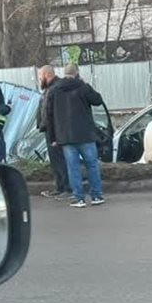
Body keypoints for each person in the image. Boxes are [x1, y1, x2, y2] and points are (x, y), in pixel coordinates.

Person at [46, 64, 105, 208]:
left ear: (64, 73)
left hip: (65, 136)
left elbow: (49, 114)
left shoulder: (54, 90)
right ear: (77, 73)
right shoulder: (83, 87)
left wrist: (53, 137)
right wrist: (85, 84)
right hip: (85, 134)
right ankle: (96, 196)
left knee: (73, 167)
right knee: (92, 165)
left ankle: (79, 198)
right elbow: (97, 100)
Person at [36, 65, 70, 199]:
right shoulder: (50, 88)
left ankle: (66, 188)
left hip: (55, 132)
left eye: (40, 76)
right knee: (56, 161)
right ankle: (60, 187)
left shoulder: (56, 88)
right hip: (50, 130)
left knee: (61, 161)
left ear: (46, 74)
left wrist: (54, 135)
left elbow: (54, 113)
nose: (39, 79)